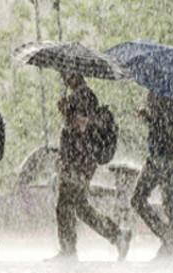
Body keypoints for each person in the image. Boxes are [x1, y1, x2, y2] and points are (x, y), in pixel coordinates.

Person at [47, 72, 131, 262]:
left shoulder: (83, 96)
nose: (63, 77)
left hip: (78, 162)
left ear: (75, 74)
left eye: (65, 73)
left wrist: (66, 112)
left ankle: (69, 251)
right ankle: (118, 235)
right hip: (79, 161)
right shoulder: (80, 96)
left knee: (64, 205)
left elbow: (82, 126)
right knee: (81, 207)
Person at [131, 91, 173, 262]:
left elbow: (163, 124)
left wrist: (150, 115)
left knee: (137, 199)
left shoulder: (159, 91)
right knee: (170, 203)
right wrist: (149, 116)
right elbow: (167, 123)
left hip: (159, 158)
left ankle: (169, 239)